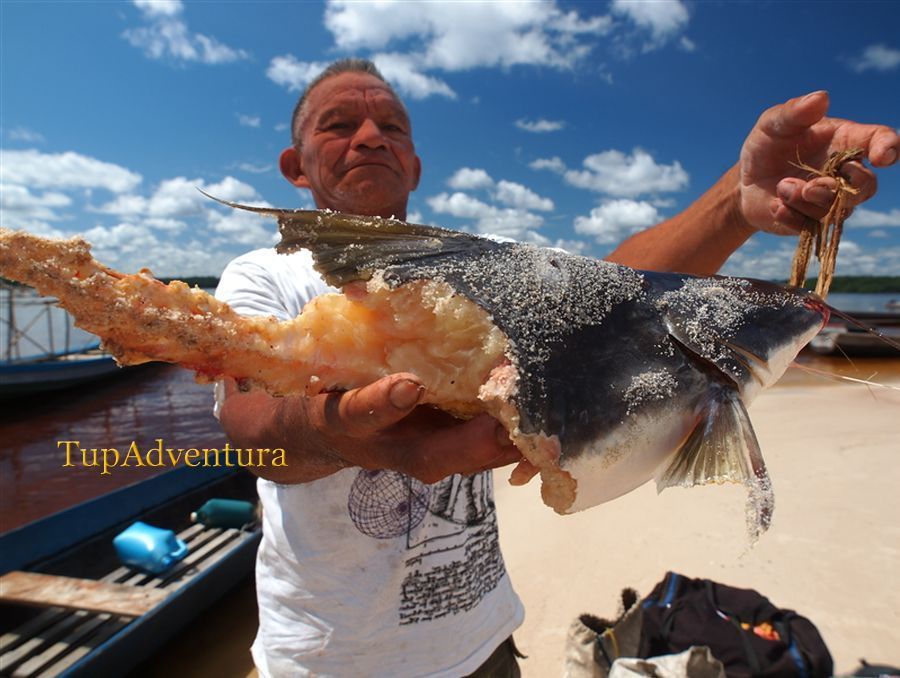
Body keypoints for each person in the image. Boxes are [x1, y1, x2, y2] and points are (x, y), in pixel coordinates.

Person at [214, 58, 898, 677]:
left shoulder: (480, 266)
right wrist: (341, 432)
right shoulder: (261, 279)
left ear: (415, 165)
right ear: (295, 166)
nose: (369, 137)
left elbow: (614, 293)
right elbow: (251, 429)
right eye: (339, 125)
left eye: (391, 125)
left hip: (483, 639)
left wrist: (736, 199)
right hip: (329, 659)